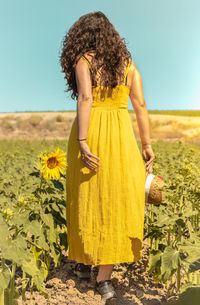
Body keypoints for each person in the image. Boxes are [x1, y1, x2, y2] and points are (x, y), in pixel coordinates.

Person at [60, 11, 155, 302]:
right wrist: (147, 145)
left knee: (86, 196)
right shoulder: (127, 64)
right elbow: (139, 105)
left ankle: (84, 263)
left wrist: (82, 139)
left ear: (82, 35)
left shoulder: (84, 61)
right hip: (121, 136)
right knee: (116, 199)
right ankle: (104, 280)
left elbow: (85, 98)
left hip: (92, 133)